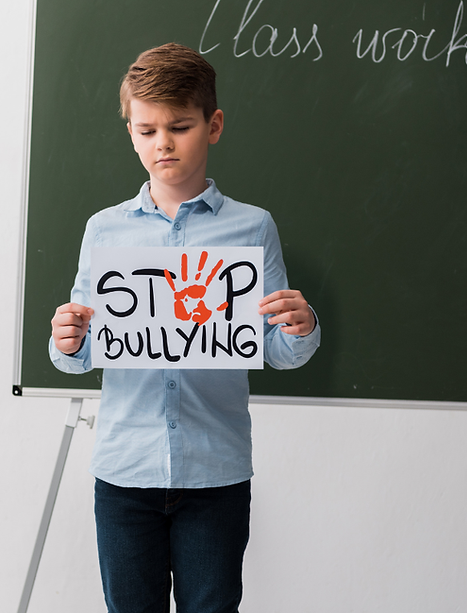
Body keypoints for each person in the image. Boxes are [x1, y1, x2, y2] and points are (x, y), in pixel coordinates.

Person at [48, 42, 320, 613]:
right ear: (130, 132)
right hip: (125, 472)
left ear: (213, 125)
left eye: (179, 126)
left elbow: (277, 349)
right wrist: (67, 339)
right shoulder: (104, 231)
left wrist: (301, 326)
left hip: (214, 472)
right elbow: (83, 350)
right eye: (146, 130)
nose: (162, 143)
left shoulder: (253, 228)